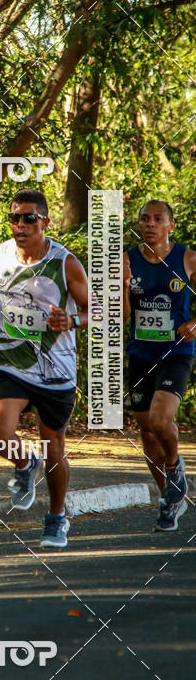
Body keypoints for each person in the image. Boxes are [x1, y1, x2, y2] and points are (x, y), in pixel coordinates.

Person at [0, 189, 89, 548]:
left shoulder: (65, 262)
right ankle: (25, 465)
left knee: (54, 444)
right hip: (11, 359)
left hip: (56, 367)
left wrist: (71, 320)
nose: (19, 225)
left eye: (28, 218)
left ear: (45, 221)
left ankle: (56, 518)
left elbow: (98, 310)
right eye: (14, 218)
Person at [124, 199, 196, 531]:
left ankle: (175, 464)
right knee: (147, 433)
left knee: (160, 419)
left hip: (176, 353)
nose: (149, 223)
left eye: (157, 219)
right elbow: (122, 316)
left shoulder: (188, 258)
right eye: (144, 219)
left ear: (170, 225)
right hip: (140, 355)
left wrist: (194, 323)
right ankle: (169, 499)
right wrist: (123, 285)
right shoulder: (127, 259)